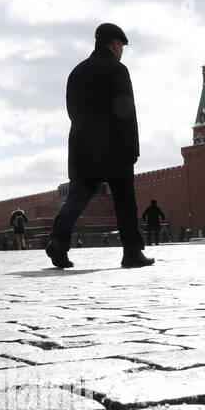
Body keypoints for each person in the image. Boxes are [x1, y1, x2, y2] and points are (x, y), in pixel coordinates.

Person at [46, 23, 152, 270]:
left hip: (82, 144)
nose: (121, 52)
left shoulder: (76, 72)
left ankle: (58, 241)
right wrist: (132, 147)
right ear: (115, 45)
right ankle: (132, 253)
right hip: (114, 145)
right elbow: (125, 111)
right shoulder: (118, 70)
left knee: (79, 195)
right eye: (121, 47)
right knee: (124, 198)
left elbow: (72, 111)